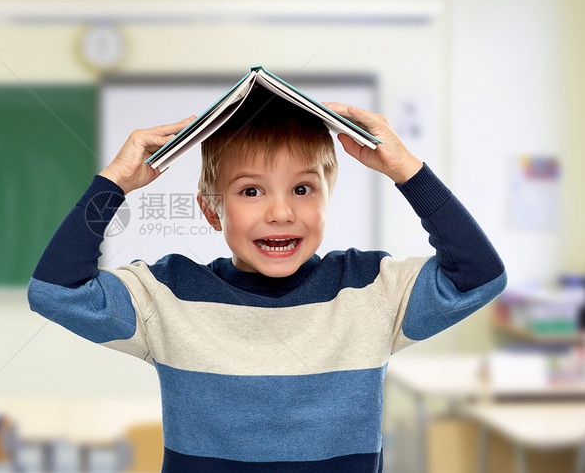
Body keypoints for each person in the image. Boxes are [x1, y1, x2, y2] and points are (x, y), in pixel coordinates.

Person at [27, 92, 507, 473]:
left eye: (303, 189)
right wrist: (114, 182)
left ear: (327, 197)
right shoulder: (168, 295)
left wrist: (407, 170)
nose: (281, 212)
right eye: (251, 191)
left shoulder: (369, 290)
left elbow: (478, 276)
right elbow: (56, 291)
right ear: (212, 209)